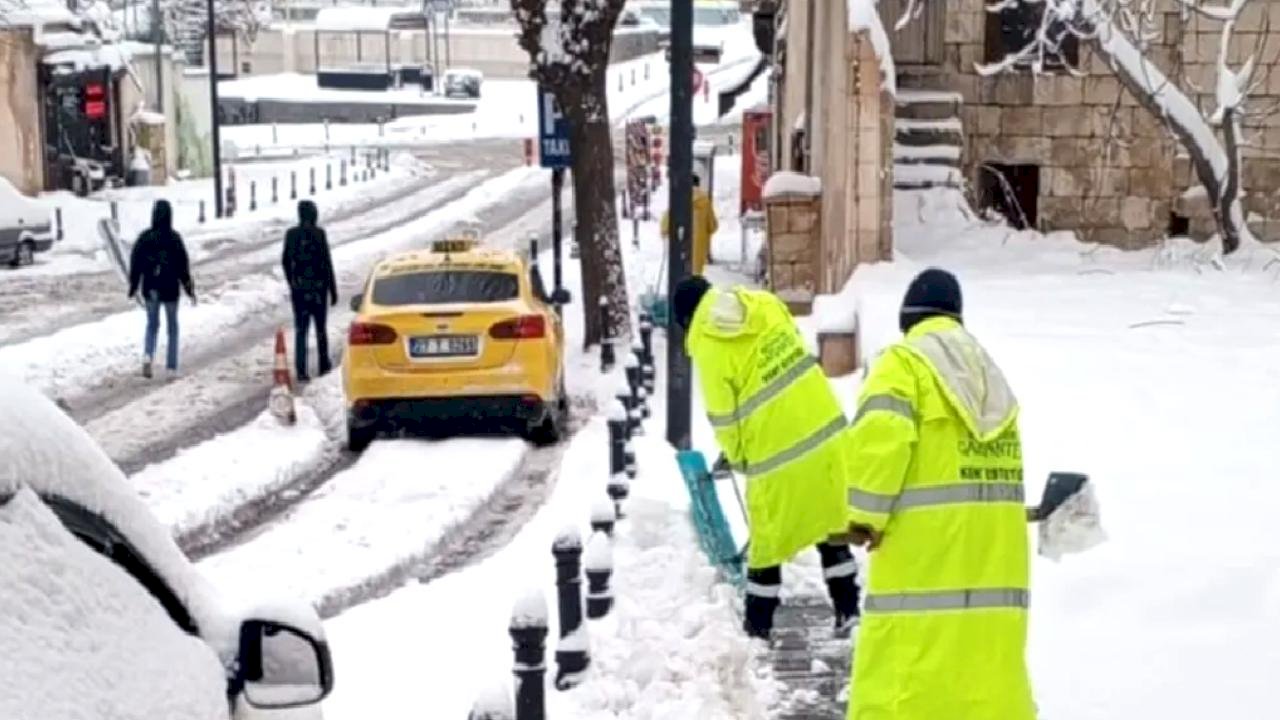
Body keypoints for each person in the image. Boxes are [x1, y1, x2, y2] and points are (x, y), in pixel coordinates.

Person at [840, 268, 1035, 720]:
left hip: (922, 567)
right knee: (983, 687)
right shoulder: (990, 378)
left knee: (903, 686)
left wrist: (862, 519)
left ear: (908, 319)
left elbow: (879, 444)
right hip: (994, 567)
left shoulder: (903, 365)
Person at [672, 275, 860, 639]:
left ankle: (758, 628)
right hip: (826, 433)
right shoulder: (764, 306)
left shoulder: (709, 343)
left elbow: (724, 416)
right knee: (832, 527)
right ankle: (848, 610)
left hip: (777, 454)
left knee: (766, 544)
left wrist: (738, 457)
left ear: (687, 318)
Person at [128, 199, 195, 379]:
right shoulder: (174, 238)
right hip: (170, 288)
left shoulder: (145, 238)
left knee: (152, 324)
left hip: (151, 286)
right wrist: (189, 287)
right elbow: (183, 265)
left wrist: (133, 285)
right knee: (172, 327)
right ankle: (171, 367)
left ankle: (148, 355)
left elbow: (136, 262)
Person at [282, 200, 338, 382]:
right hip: (318, 289)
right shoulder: (319, 234)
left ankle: (301, 369)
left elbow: (285, 261)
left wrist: (292, 282)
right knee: (320, 329)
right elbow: (327, 263)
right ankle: (323, 364)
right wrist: (332, 289)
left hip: (300, 290)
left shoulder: (291, 235)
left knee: (301, 330)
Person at [661, 175, 719, 275]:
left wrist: (665, 232)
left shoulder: (679, 199)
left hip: (681, 245)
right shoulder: (705, 201)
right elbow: (713, 226)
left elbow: (666, 222)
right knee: (695, 275)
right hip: (698, 250)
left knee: (680, 274)